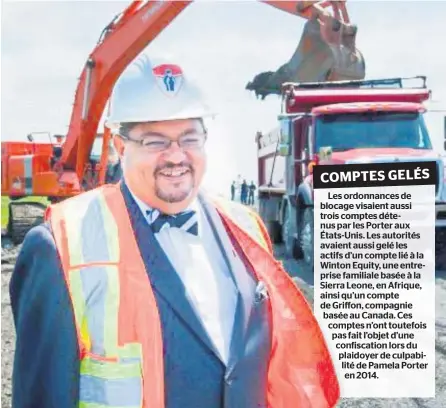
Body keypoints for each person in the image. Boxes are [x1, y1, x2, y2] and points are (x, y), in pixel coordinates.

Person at [9, 53, 339, 408]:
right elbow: (42, 396)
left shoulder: (246, 227)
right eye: (155, 141)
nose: (176, 156)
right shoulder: (61, 245)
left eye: (189, 138)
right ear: (121, 148)